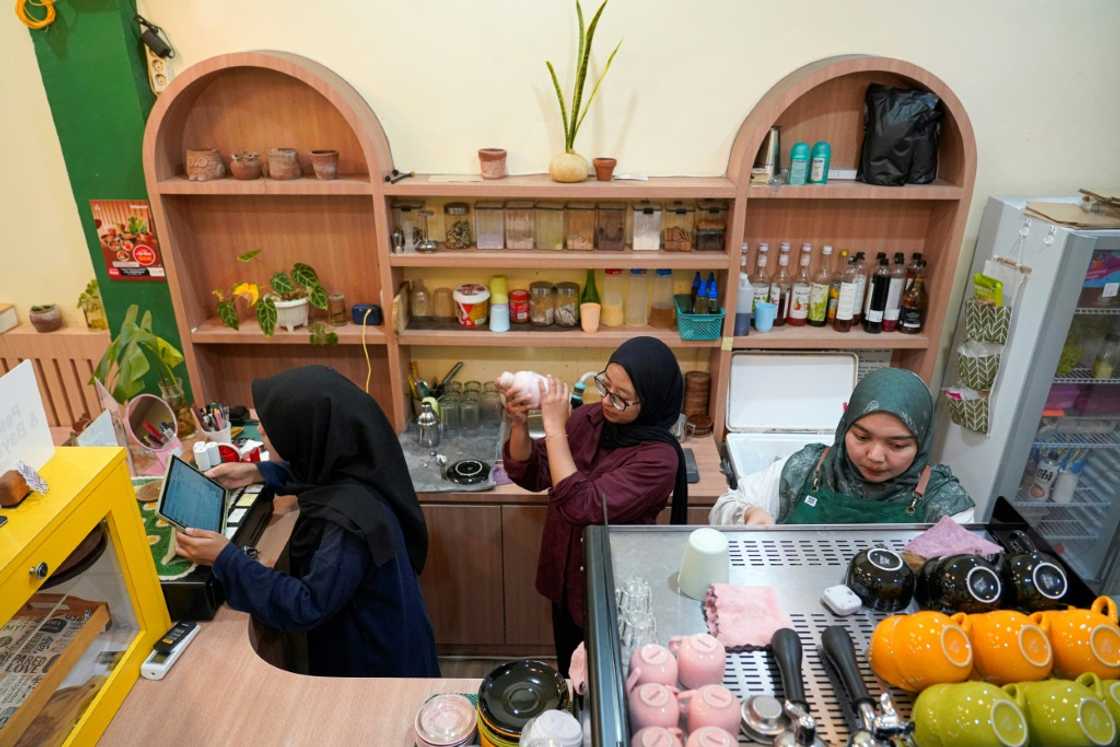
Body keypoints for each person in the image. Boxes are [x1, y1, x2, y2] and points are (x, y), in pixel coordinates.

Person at [174, 366, 439, 678]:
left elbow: (306, 605)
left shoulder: (347, 528)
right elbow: (318, 476)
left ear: (304, 434)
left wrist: (226, 558)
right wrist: (260, 471)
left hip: (377, 670)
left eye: (268, 425)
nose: (260, 431)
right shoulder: (359, 463)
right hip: (396, 635)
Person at [498, 337, 688, 676]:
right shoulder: (590, 419)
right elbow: (534, 472)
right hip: (564, 571)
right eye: (605, 385)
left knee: (606, 675)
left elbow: (581, 504)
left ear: (653, 401)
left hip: (612, 587)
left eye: (621, 397)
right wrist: (519, 423)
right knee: (570, 671)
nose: (607, 401)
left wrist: (554, 426)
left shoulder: (658, 460)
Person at [710, 367, 975, 526]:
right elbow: (726, 505)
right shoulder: (808, 468)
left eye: (896, 445)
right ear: (845, 426)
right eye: (861, 437)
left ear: (922, 441)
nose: (875, 456)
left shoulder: (943, 502)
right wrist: (748, 514)